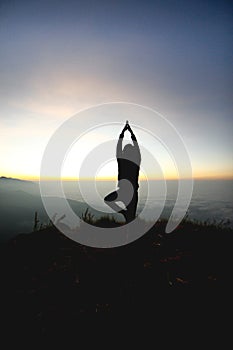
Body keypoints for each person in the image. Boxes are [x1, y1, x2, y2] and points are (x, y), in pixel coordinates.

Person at [104, 121, 141, 223]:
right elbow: (136, 148)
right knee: (130, 218)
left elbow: (118, 149)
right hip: (131, 192)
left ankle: (124, 214)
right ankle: (126, 217)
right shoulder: (135, 162)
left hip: (124, 191)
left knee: (108, 200)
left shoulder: (123, 161)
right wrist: (131, 134)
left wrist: (123, 133)